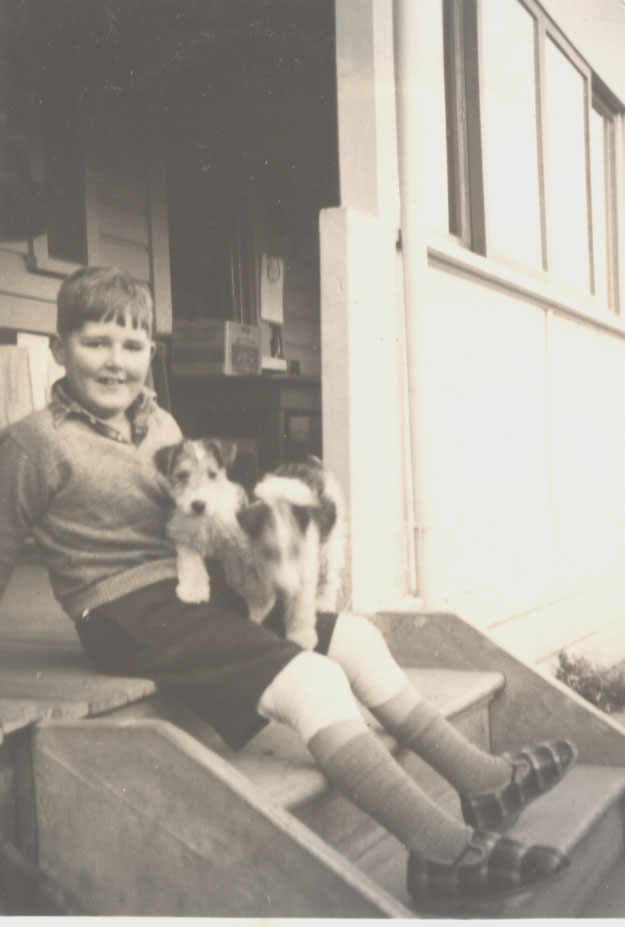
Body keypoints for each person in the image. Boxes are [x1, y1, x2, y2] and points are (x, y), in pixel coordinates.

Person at [0, 266, 575, 908]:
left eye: (131, 346)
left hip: (194, 587)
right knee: (313, 679)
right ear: (58, 349)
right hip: (120, 610)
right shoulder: (33, 444)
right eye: (95, 343)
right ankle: (442, 852)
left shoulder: (160, 426)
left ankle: (483, 781)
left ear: (150, 354)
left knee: (350, 638)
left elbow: (202, 514)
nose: (115, 362)